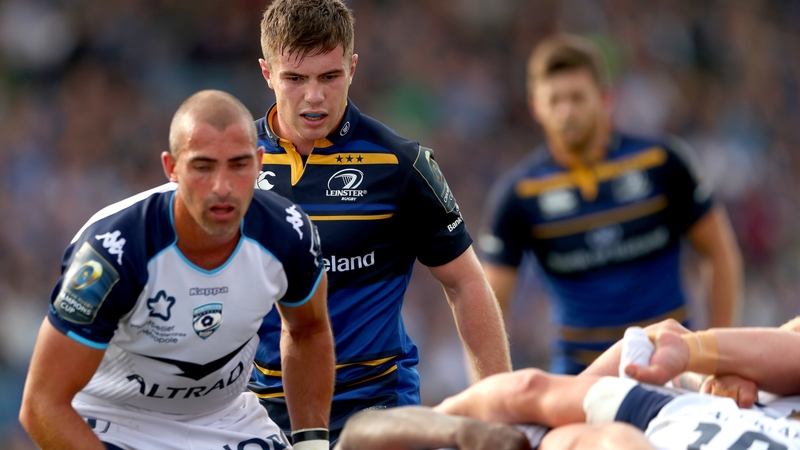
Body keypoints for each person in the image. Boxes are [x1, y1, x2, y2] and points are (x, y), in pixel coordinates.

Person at [249, 0, 512, 444]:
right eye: (295, 79)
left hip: (375, 403)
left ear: (352, 68)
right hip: (260, 410)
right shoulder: (234, 166)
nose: (313, 96)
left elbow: (465, 283)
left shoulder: (400, 164)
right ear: (267, 73)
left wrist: (501, 407)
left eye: (329, 77)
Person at [18, 90, 335, 450]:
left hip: (225, 420)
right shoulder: (111, 252)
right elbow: (42, 404)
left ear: (259, 161)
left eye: (238, 164)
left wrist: (312, 444)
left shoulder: (289, 232)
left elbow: (308, 329)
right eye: (203, 167)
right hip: (114, 421)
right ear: (172, 168)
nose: (222, 187)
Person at [479, 33, 742, 374]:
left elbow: (719, 254)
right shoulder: (518, 194)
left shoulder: (662, 162)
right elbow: (487, 307)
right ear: (535, 106)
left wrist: (718, 358)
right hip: (581, 378)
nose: (567, 111)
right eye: (555, 100)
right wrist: (492, 395)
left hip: (672, 365)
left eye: (577, 98)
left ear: (605, 98)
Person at [435, 324, 800, 449]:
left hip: (670, 425)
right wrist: (698, 362)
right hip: (679, 415)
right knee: (525, 396)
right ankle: (419, 424)